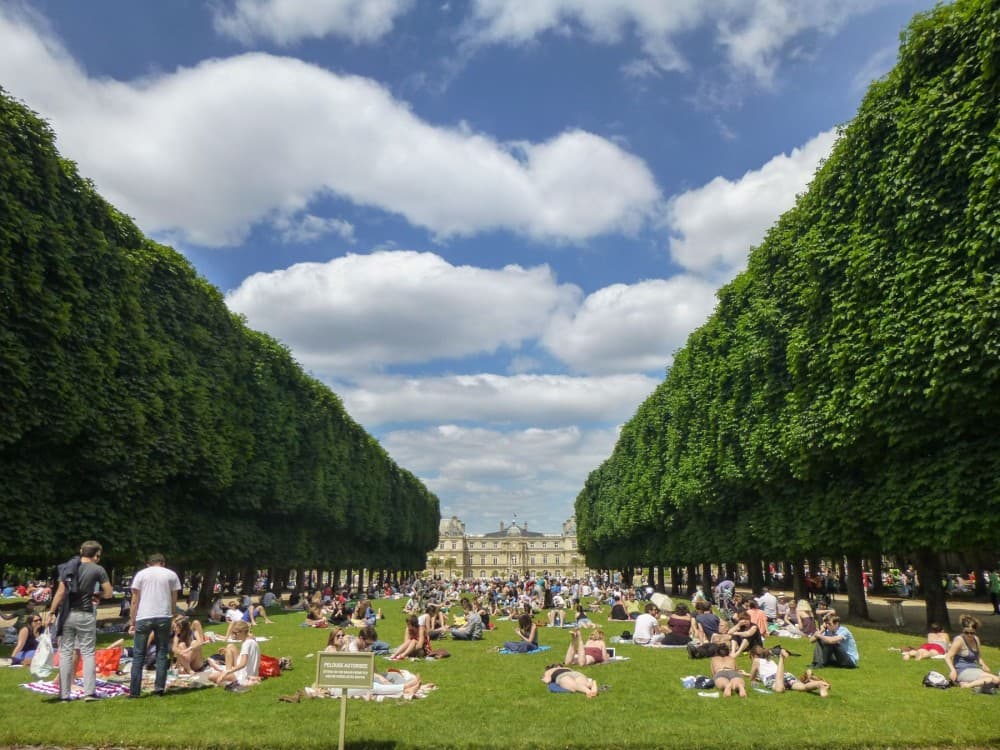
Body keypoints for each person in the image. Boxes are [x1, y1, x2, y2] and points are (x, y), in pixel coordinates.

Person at [46, 540, 113, 701]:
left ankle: (64, 694)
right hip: (85, 614)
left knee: (65, 653)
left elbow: (61, 592)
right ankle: (89, 693)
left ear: (81, 551)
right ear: (97, 555)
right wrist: (98, 596)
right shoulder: (98, 569)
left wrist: (52, 611)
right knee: (88, 652)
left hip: (67, 613)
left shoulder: (68, 568)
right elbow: (109, 593)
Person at [129, 553, 182, 698]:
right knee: (162, 652)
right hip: (163, 616)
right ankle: (159, 688)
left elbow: (135, 599)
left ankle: (134, 691)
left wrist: (132, 620)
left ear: (148, 563)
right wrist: (172, 616)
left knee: (139, 654)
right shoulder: (171, 575)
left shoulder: (141, 574)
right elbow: (173, 599)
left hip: (144, 616)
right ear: (163, 563)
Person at [944, 615, 1000, 691]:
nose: (969, 635)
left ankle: (975, 683)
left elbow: (978, 657)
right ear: (963, 630)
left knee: (992, 679)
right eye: (966, 632)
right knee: (995, 680)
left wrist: (983, 665)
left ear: (975, 631)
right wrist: (953, 670)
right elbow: (948, 657)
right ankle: (967, 685)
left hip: (974, 669)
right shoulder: (959, 640)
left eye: (972, 632)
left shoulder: (976, 639)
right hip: (962, 671)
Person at [749, 646, 830, 697]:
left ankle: (781, 657)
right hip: (785, 675)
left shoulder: (756, 660)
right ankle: (819, 684)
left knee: (779, 689)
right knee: (803, 687)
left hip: (773, 678)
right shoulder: (770, 660)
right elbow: (760, 676)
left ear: (754, 655)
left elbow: (752, 677)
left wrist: (752, 679)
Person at [207, 621, 260, 688]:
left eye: (235, 633)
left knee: (211, 677)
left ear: (243, 632)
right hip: (251, 672)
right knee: (230, 646)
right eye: (232, 633)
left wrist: (228, 672)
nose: (234, 635)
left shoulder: (246, 644)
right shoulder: (251, 640)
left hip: (244, 675)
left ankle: (228, 675)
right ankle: (227, 672)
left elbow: (243, 664)